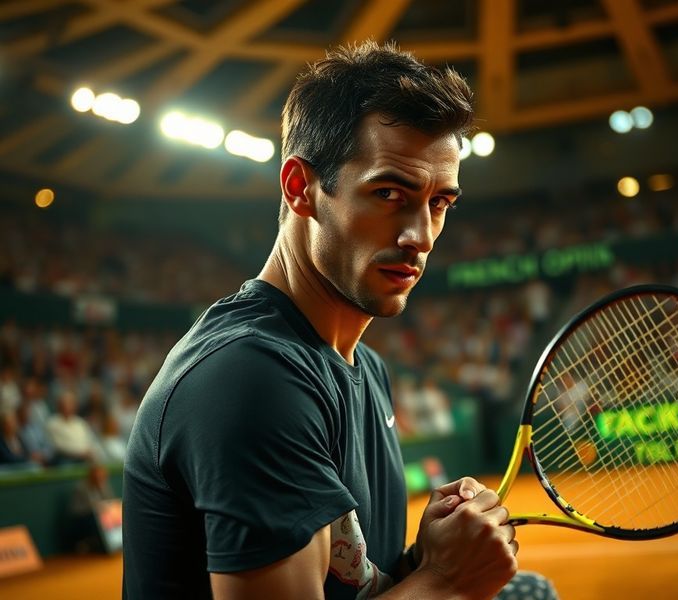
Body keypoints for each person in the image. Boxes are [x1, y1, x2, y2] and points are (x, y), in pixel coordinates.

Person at [123, 41, 557, 600]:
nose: (419, 236)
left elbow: (355, 583)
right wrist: (446, 581)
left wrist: (426, 557)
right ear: (301, 189)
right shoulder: (251, 378)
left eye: (439, 203)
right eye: (388, 194)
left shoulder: (363, 368)